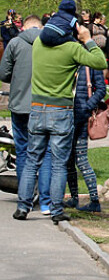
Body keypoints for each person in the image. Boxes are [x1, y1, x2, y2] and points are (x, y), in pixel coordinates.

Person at [13, 14, 107, 224]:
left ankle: (23, 206)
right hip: (61, 111)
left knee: (31, 161)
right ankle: (56, 210)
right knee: (58, 163)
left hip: (37, 109)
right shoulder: (71, 49)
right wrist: (87, 38)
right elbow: (100, 62)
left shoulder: (37, 45)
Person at [0, 15, 53, 215]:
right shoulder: (50, 44)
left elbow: (3, 73)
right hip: (43, 105)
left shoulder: (15, 43)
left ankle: (25, 197)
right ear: (40, 27)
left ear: (25, 27)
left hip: (20, 104)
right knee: (46, 152)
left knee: (23, 151)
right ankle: (46, 201)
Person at [64, 64, 106, 212]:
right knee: (69, 160)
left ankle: (94, 200)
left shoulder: (90, 63)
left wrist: (87, 107)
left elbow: (101, 89)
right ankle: (74, 198)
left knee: (81, 160)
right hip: (66, 115)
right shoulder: (69, 59)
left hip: (80, 118)